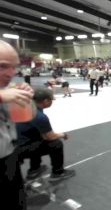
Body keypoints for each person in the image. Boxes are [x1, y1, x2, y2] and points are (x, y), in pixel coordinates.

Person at [0, 40, 34, 210]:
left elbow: (26, 118)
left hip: (9, 158)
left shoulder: (7, 89)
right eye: (2, 66)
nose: (11, 73)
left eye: (13, 67)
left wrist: (26, 99)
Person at [16, 87, 75, 181]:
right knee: (56, 144)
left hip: (12, 144)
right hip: (17, 150)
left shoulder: (27, 105)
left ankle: (34, 170)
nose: (52, 102)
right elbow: (50, 137)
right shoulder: (39, 116)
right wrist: (63, 134)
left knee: (37, 138)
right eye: (51, 100)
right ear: (46, 100)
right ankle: (58, 173)